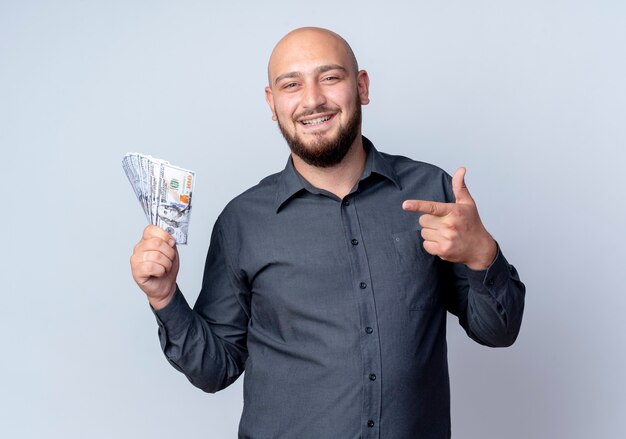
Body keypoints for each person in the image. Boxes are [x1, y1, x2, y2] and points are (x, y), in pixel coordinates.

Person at [130, 27, 525, 439]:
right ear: (272, 102)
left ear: (362, 87)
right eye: (291, 84)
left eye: (330, 77)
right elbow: (215, 370)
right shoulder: (242, 222)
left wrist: (483, 255)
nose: (313, 99)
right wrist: (164, 297)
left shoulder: (433, 192)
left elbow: (497, 333)